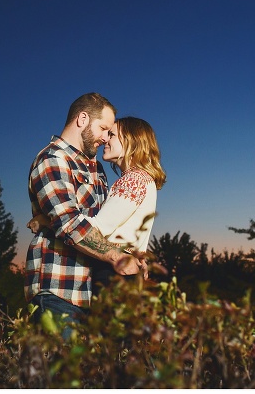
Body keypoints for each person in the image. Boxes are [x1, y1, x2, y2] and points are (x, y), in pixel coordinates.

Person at [24, 93, 143, 339]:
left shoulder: (96, 168)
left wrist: (134, 255)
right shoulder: (52, 159)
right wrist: (117, 257)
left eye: (110, 133)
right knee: (65, 374)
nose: (105, 137)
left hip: (93, 292)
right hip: (59, 289)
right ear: (82, 119)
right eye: (103, 128)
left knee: (99, 373)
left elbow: (106, 226)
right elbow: (69, 223)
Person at [28, 116, 166, 296]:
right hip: (127, 269)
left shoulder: (134, 180)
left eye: (112, 135)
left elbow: (99, 228)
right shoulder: (141, 179)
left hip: (116, 273)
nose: (105, 140)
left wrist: (48, 219)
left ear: (131, 141)